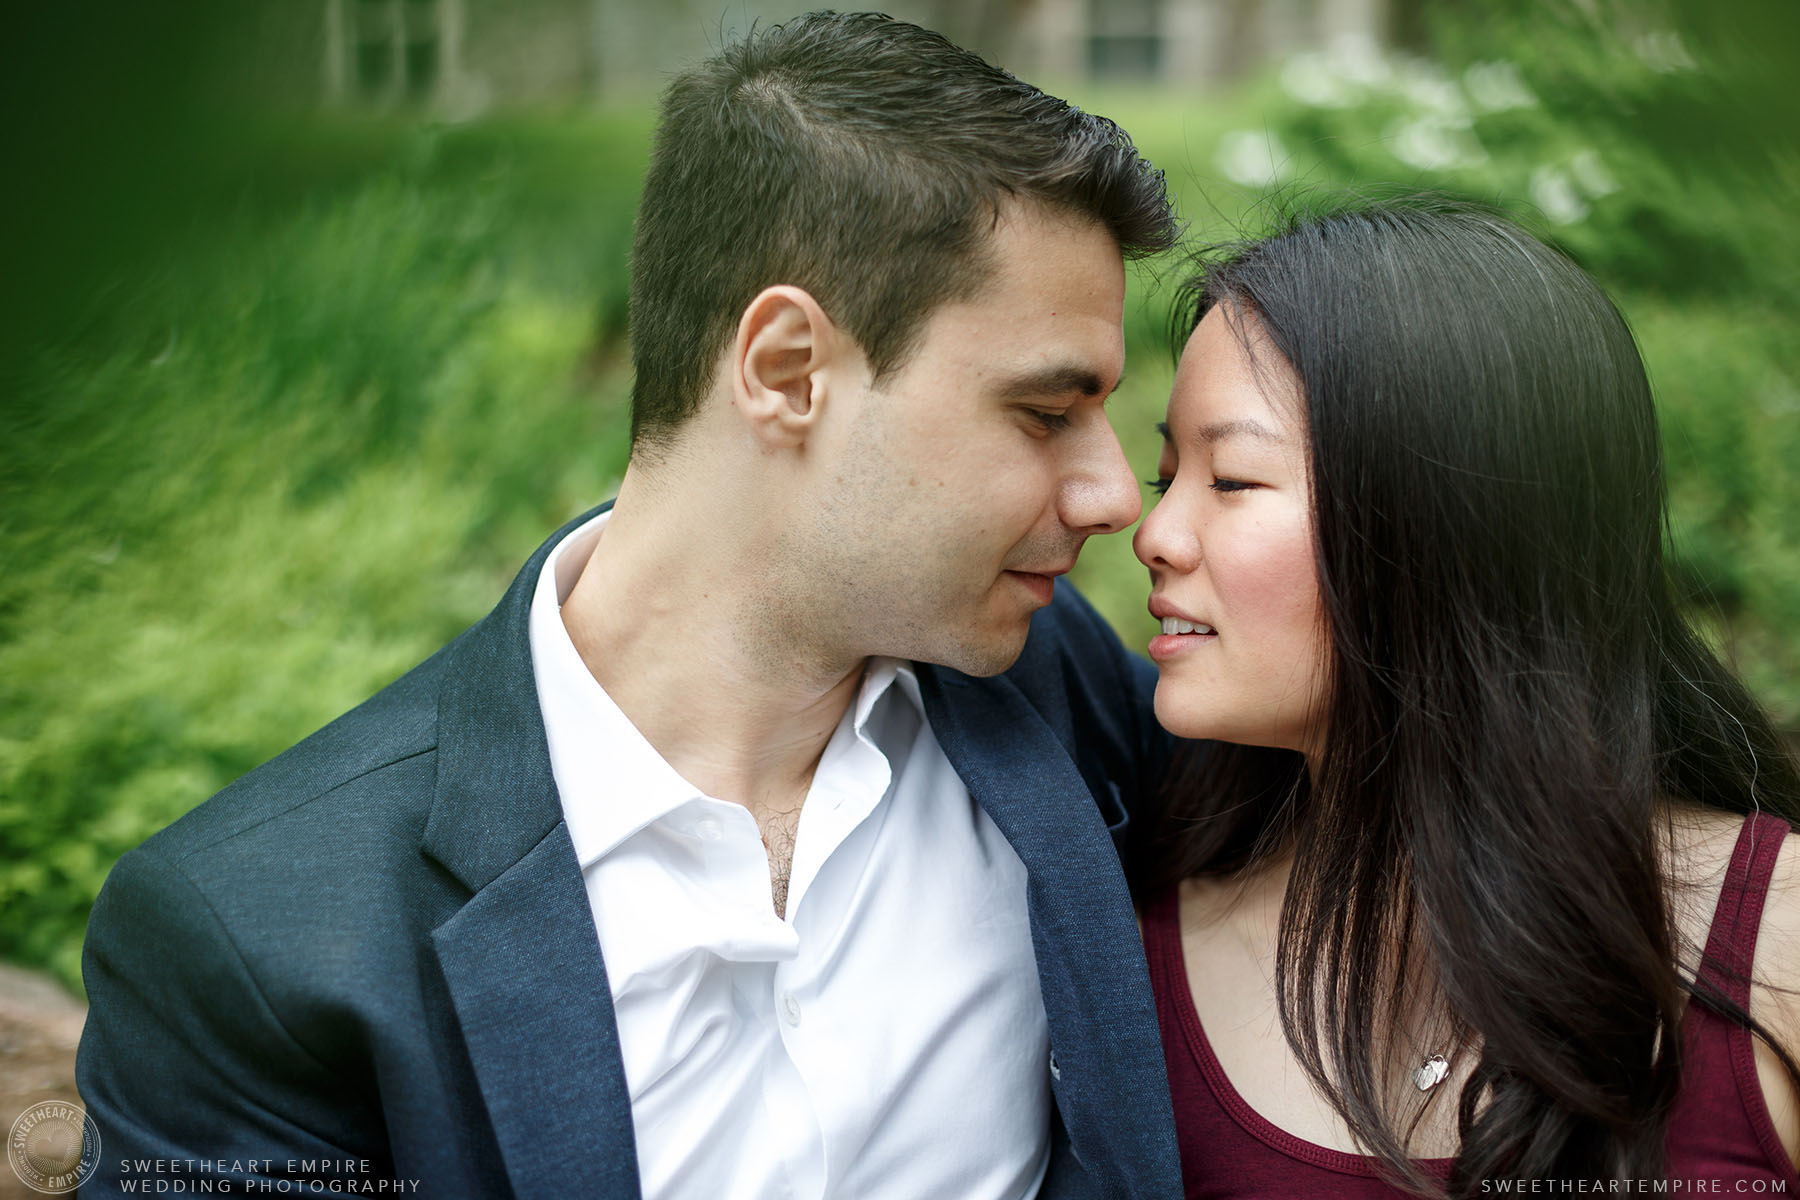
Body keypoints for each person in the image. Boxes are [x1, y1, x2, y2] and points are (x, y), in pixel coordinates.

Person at [75, 13, 1185, 1199]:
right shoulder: (259, 939)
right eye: (1044, 411)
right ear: (786, 371)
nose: (1116, 493)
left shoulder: (1062, 693)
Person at [1130, 198, 1800, 1196]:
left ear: (1444, 523)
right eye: (1165, 474)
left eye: (1229, 479)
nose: (1154, 532)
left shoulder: (1774, 934)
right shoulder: (1134, 948)